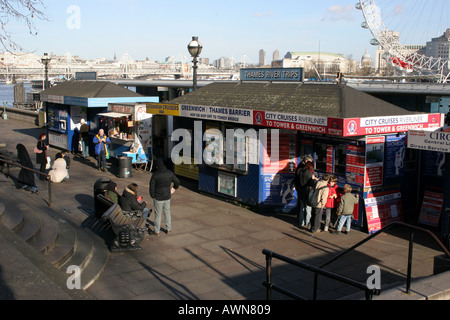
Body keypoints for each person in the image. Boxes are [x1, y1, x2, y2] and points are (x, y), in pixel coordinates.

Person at [149, 159, 180, 236]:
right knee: (167, 213)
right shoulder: (170, 173)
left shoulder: (155, 174)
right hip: (167, 196)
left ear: (157, 166)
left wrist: (152, 195)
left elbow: (151, 187)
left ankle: (156, 231)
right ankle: (168, 229)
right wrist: (173, 189)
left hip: (158, 197)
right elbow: (177, 182)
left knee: (158, 214)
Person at [295, 155, 317, 228]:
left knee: (302, 207)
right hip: (307, 193)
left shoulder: (301, 171)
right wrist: (314, 179)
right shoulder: (309, 174)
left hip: (301, 191)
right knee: (308, 209)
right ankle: (308, 223)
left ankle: (301, 222)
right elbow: (311, 184)